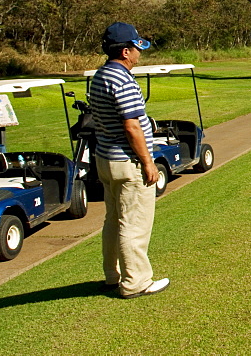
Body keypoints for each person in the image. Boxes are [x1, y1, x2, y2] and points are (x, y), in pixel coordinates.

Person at [90, 21, 169, 299]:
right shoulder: (123, 79)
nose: (139, 52)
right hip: (128, 162)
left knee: (114, 220)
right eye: (136, 47)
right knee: (134, 223)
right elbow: (131, 126)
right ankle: (136, 281)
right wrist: (148, 162)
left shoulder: (100, 75)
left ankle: (113, 275)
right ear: (125, 51)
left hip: (106, 160)